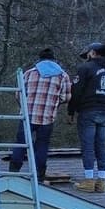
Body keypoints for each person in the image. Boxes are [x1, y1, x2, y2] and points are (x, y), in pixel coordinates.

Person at [9, 48, 74, 182]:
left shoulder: (28, 73)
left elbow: (18, 94)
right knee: (42, 145)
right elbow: (66, 97)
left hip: (27, 115)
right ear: (54, 60)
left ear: (39, 60)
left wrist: (25, 105)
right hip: (47, 117)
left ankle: (13, 171)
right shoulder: (63, 76)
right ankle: (39, 175)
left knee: (21, 143)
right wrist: (54, 102)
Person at [69, 42, 105, 193]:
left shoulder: (86, 68)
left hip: (89, 110)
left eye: (88, 54)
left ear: (93, 53)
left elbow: (76, 91)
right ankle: (101, 181)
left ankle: (89, 180)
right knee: (101, 145)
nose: (87, 57)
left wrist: (71, 111)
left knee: (88, 146)